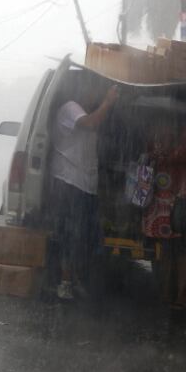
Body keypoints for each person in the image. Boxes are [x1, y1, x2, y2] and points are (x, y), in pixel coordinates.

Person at [50, 80, 119, 300]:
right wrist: (108, 102)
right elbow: (90, 123)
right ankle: (65, 282)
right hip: (69, 183)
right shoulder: (71, 108)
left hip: (86, 186)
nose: (95, 95)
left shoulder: (88, 111)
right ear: (80, 89)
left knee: (84, 237)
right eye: (93, 89)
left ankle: (76, 279)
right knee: (70, 234)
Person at [143, 120, 186, 310]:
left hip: (181, 194)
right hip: (175, 192)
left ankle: (177, 293)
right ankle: (174, 293)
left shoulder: (182, 132)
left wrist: (168, 156)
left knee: (178, 249)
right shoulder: (182, 127)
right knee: (173, 250)